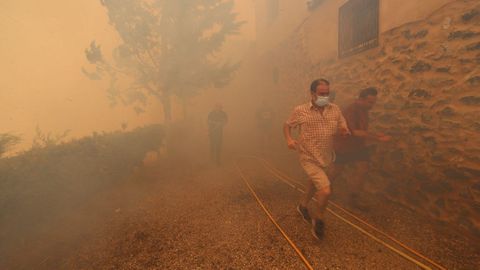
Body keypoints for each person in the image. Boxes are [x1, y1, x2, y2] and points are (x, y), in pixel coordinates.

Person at [283, 78, 350, 240]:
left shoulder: (335, 109)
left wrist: (344, 130)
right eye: (321, 94)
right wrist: (289, 140)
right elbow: (287, 125)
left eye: (327, 94)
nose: (325, 97)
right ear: (312, 93)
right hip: (308, 156)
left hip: (326, 156)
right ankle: (319, 219)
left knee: (314, 182)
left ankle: (302, 205)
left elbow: (342, 125)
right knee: (325, 189)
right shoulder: (300, 110)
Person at [332, 87, 391, 210]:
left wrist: (376, 134)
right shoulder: (351, 110)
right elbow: (355, 132)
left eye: (374, 102)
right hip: (344, 145)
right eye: (370, 102)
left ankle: (353, 198)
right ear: (361, 99)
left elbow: (362, 130)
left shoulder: (364, 109)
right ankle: (323, 188)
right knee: (337, 171)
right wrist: (377, 138)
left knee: (363, 168)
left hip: (358, 145)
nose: (372, 105)